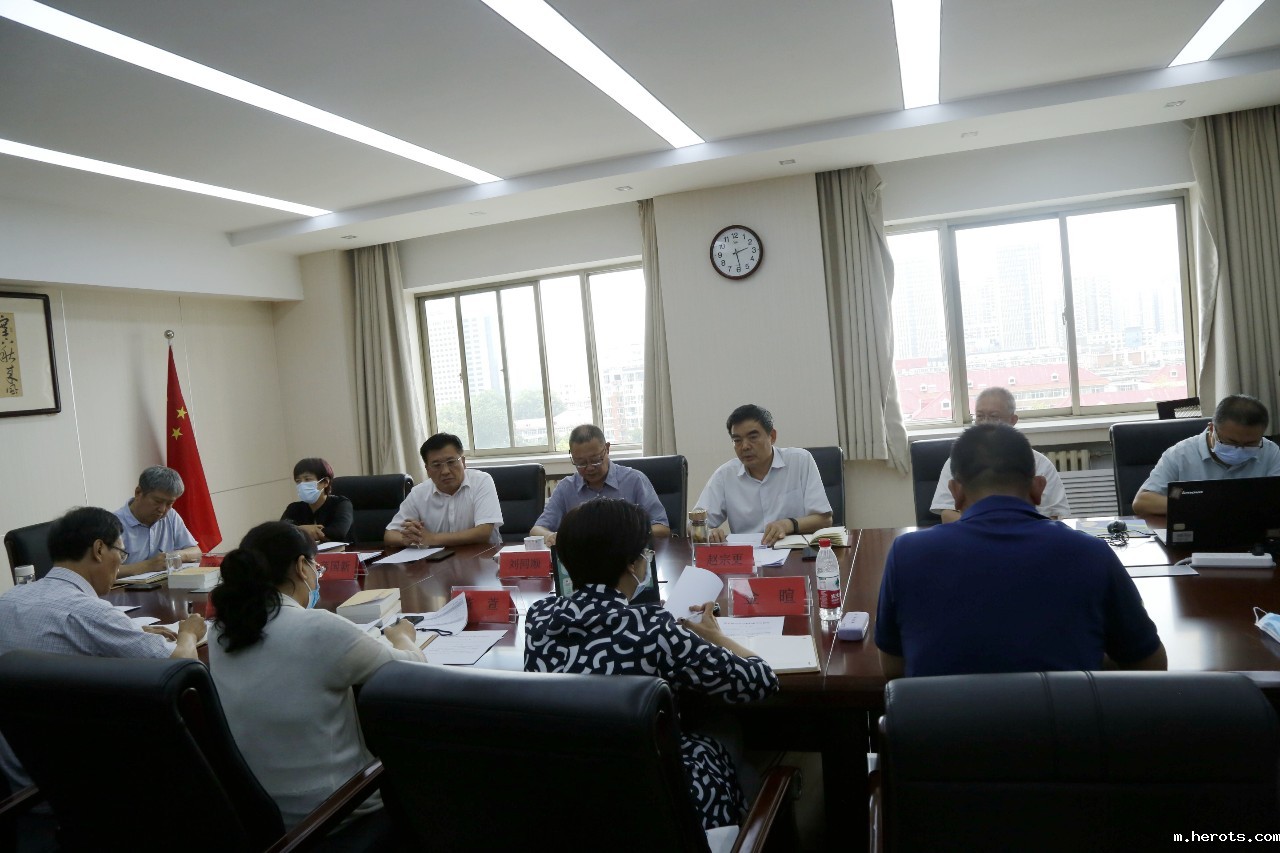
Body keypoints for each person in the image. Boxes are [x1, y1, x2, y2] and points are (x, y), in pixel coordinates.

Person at [524, 499, 778, 830]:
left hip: (571, 793)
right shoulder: (652, 627)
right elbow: (760, 680)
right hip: (654, 796)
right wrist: (717, 636)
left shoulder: (539, 617)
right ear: (633, 564)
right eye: (644, 552)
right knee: (726, 727)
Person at [876, 423, 1166, 678]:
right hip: (1065, 723)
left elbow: (892, 668)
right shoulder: (1091, 553)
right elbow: (1150, 665)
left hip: (944, 724)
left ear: (955, 492)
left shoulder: (906, 553)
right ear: (1038, 488)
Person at [207, 522, 425, 842]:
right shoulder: (317, 628)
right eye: (316, 566)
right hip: (333, 815)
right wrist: (404, 637)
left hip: (258, 821)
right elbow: (412, 673)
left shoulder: (221, 631)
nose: (316, 575)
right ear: (301, 566)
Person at [0, 507, 205, 801]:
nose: (120, 563)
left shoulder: (8, 600)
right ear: (99, 550)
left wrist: (133, 631)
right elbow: (182, 673)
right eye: (121, 553)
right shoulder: (90, 613)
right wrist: (189, 632)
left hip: (21, 782)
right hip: (91, 785)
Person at [695, 404, 832, 546]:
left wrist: (787, 524)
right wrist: (708, 532)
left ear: (772, 436)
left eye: (753, 437)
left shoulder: (800, 461)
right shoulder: (725, 475)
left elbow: (824, 519)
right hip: (748, 555)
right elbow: (693, 524)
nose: (745, 446)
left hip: (796, 551)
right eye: (737, 440)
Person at [930, 387, 1070, 522]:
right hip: (972, 537)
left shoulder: (1040, 464)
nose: (985, 423)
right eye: (980, 416)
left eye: (994, 417)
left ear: (1013, 420)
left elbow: (1054, 516)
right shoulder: (958, 460)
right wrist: (990, 529)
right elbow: (947, 514)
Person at [1132, 394, 1280, 516]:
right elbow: (1142, 502)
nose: (1240, 449)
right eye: (1231, 442)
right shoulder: (1180, 454)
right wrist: (1202, 505)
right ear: (1212, 429)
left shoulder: (1271, 452)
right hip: (1195, 529)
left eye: (1250, 444)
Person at [529, 424, 670, 546]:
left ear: (607, 449)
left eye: (595, 460)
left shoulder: (634, 480)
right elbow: (537, 530)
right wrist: (550, 536)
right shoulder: (566, 488)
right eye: (581, 463)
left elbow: (662, 528)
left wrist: (629, 533)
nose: (590, 468)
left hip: (626, 558)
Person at [384, 433, 504, 547]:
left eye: (451, 462)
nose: (445, 471)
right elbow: (390, 535)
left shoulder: (481, 481)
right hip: (437, 559)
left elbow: (483, 533)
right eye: (436, 465)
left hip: (483, 557)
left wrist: (432, 539)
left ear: (463, 462)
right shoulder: (418, 493)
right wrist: (408, 538)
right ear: (427, 470)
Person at [113, 465, 202, 577]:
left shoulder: (171, 515)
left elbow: (196, 551)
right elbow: (104, 571)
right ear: (138, 493)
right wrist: (149, 565)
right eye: (157, 501)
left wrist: (173, 556)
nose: (162, 509)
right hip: (126, 588)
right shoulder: (113, 523)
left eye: (169, 503)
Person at [280, 457, 353, 543]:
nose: (302, 485)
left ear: (325, 482)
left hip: (343, 550)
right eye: (298, 481)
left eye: (307, 479)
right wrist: (302, 529)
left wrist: (298, 531)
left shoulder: (341, 504)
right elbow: (279, 532)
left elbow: (338, 532)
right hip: (308, 551)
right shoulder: (294, 508)